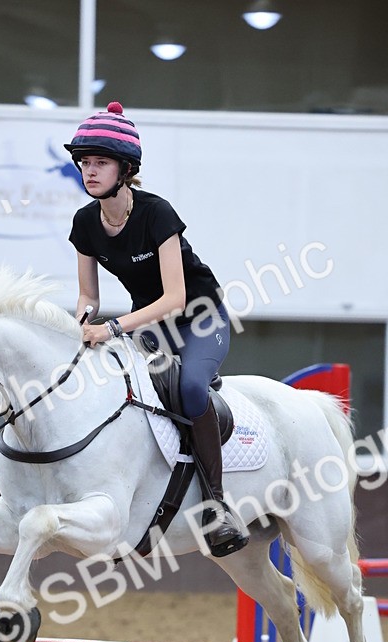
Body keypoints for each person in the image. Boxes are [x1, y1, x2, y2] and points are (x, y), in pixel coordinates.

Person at [65, 101, 249, 558]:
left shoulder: (156, 213)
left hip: (200, 317)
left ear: (125, 169)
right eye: (85, 163)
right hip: (148, 325)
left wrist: (113, 328)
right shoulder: (85, 222)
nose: (90, 171)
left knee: (188, 388)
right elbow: (89, 296)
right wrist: (82, 323)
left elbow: (175, 299)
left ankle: (217, 505)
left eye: (100, 163)